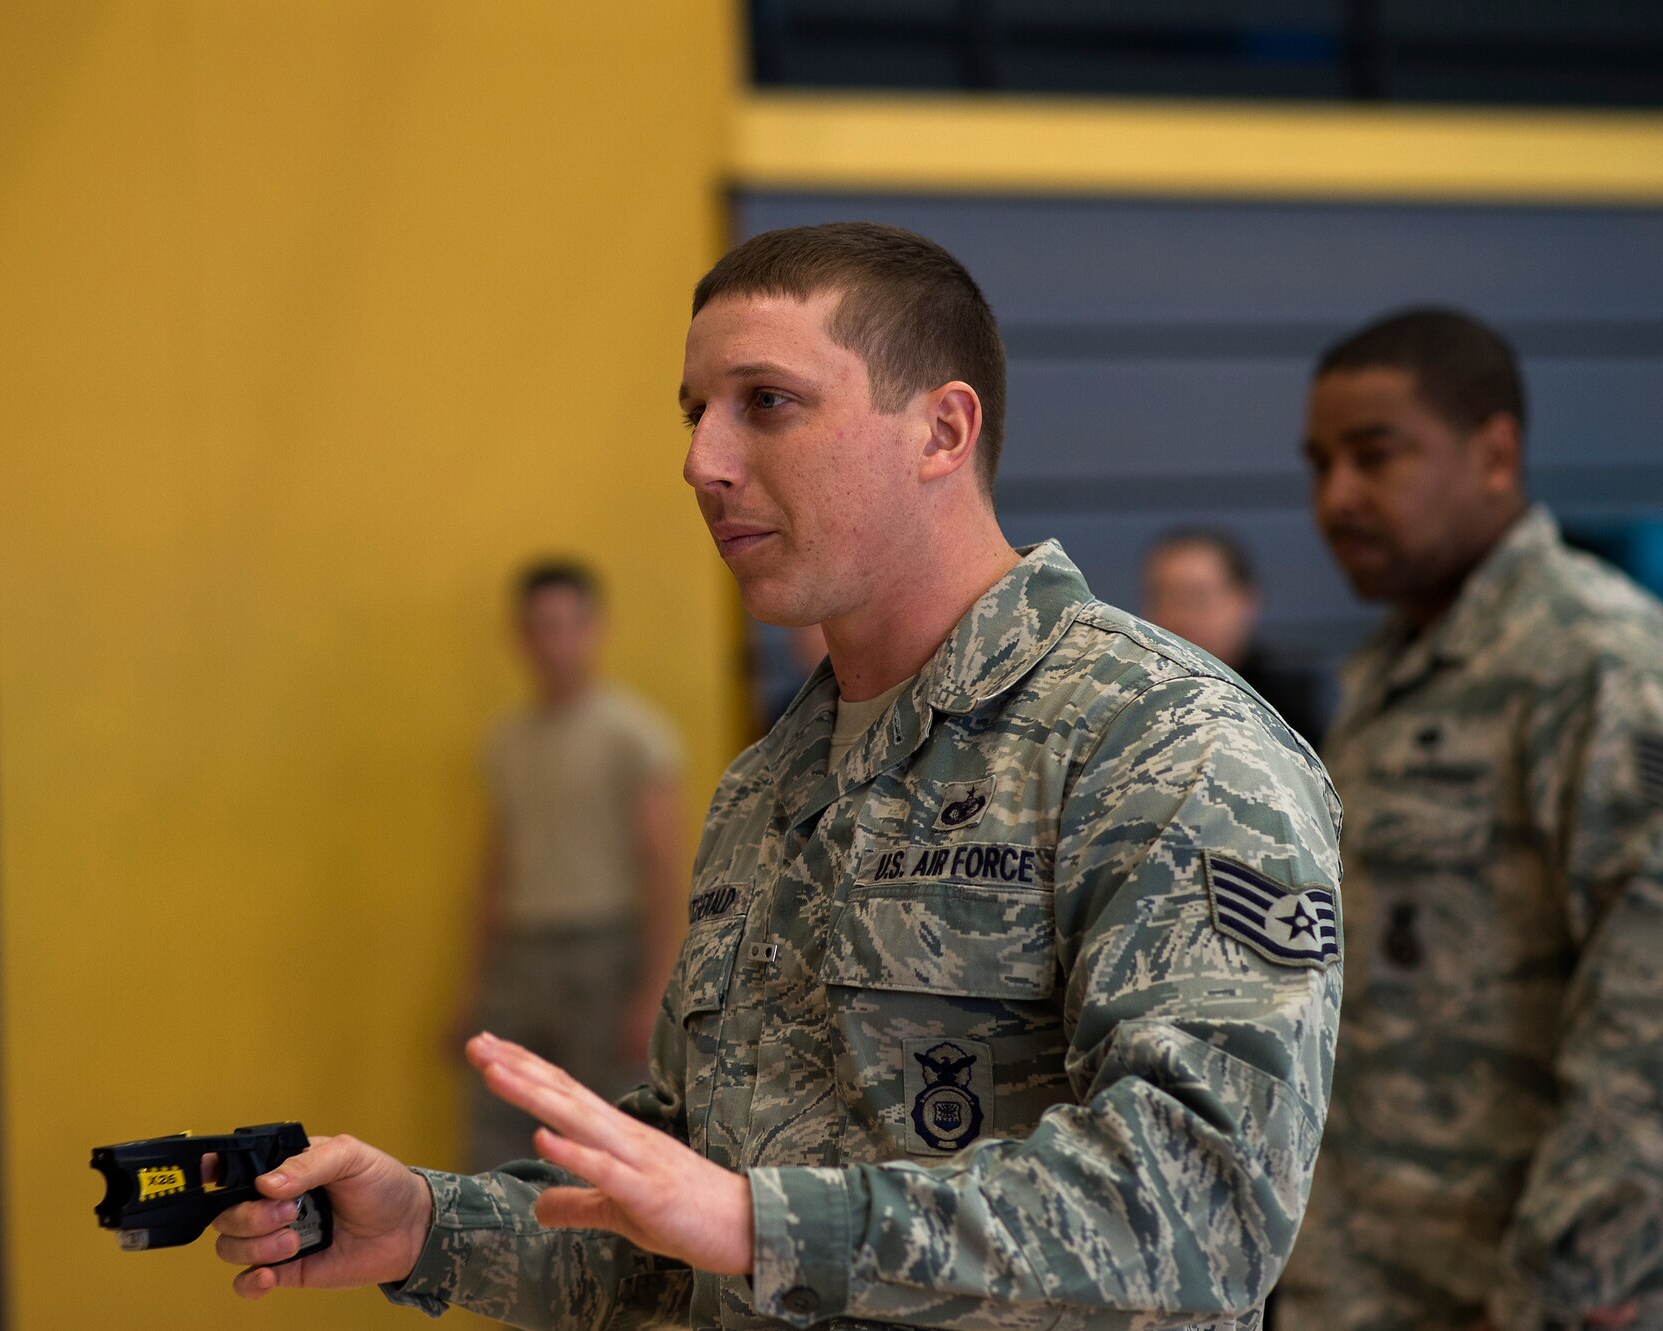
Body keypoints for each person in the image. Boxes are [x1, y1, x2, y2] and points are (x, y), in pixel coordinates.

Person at [209, 222, 1343, 1330]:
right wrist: (428, 1225)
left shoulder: (1162, 740)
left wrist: (765, 1222)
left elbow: (1210, 1204)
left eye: (767, 403)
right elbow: (683, 1218)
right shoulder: (767, 785)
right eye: (695, 412)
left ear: (939, 430)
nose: (702, 461)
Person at [1278, 309, 1663, 1331]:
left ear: (1493, 453)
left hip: (1515, 1287)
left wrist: (1562, 1285)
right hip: (1364, 1273)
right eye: (1318, 465)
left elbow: (1647, 1019)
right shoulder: (1390, 669)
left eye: (1373, 456)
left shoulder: (1599, 663)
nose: (1335, 498)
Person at [452, 559, 686, 1168]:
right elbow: (496, 868)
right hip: (522, 954)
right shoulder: (508, 740)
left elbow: (664, 870)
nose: (552, 643)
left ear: (593, 627)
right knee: (500, 1129)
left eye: (565, 625)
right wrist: (476, 982)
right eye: (538, 628)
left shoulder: (634, 735)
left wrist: (655, 991)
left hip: (604, 956)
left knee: (603, 1133)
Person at [1142, 527, 1327, 745]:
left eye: (1197, 598)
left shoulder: (1286, 710)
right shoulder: (1135, 703)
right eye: (1165, 599)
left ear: (1246, 601)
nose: (1181, 617)